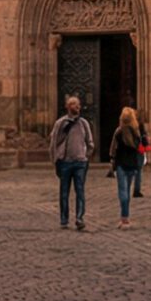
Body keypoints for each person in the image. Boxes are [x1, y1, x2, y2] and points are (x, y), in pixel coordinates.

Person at [50, 95, 95, 230]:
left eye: (78, 105)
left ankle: (79, 218)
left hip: (80, 162)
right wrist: (55, 159)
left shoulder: (84, 123)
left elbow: (90, 142)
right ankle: (64, 219)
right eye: (75, 105)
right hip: (65, 162)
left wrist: (85, 156)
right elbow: (53, 143)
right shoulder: (60, 123)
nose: (78, 107)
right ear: (68, 107)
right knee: (64, 191)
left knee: (80, 190)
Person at [110, 107, 147, 227]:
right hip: (132, 165)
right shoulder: (136, 132)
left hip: (121, 164)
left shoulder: (118, 131)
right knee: (127, 190)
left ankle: (124, 218)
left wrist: (112, 161)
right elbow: (141, 145)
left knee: (123, 191)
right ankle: (125, 218)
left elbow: (113, 149)